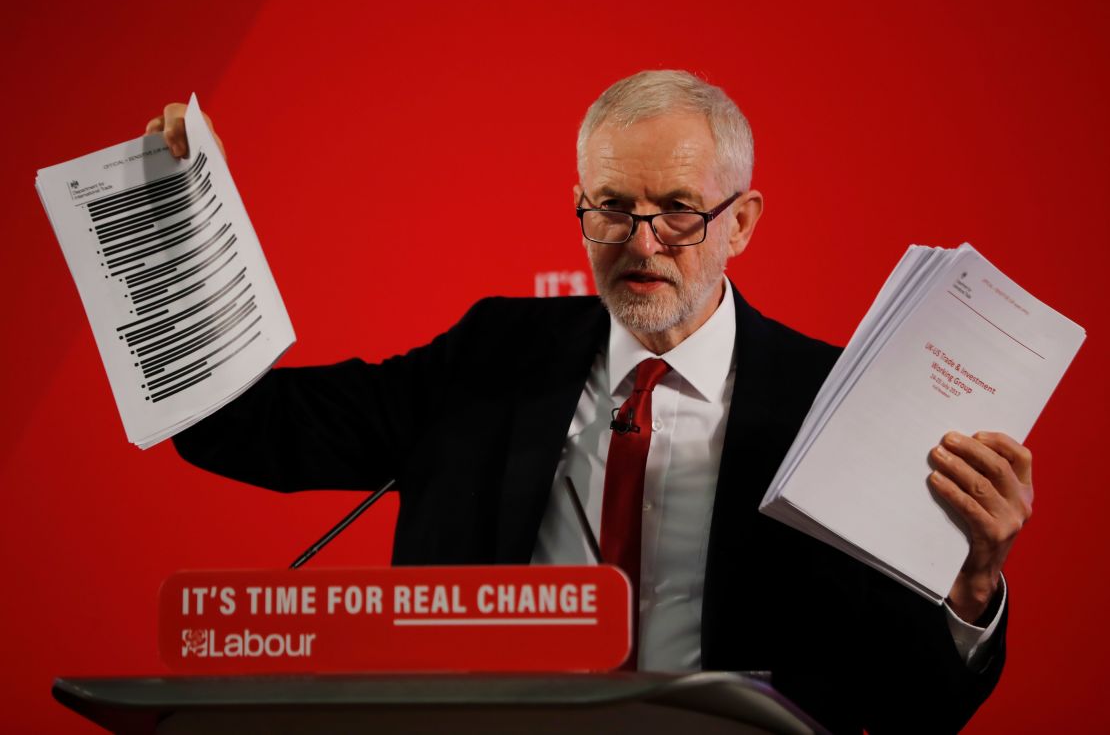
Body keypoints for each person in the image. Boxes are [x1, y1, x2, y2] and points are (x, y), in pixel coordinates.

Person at [158, 70, 1032, 733]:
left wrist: (972, 584)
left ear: (744, 222)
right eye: (613, 208)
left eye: (680, 212)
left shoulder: (834, 403)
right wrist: (181, 225)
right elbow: (251, 429)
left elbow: (920, 707)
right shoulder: (489, 358)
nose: (641, 243)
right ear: (579, 205)